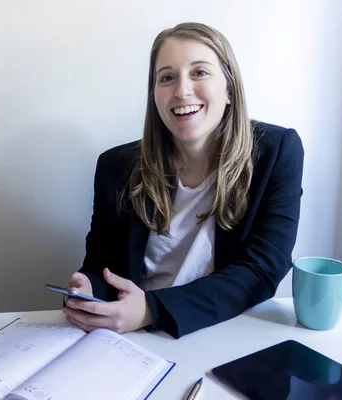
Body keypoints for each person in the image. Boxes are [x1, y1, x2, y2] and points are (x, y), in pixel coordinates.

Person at [62, 22, 304, 339]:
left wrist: (151, 309)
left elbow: (263, 269)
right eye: (167, 77)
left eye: (200, 72)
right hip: (130, 336)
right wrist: (88, 287)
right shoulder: (115, 167)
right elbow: (101, 264)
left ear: (229, 89)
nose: (182, 90)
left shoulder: (277, 151)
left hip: (225, 329)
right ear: (154, 96)